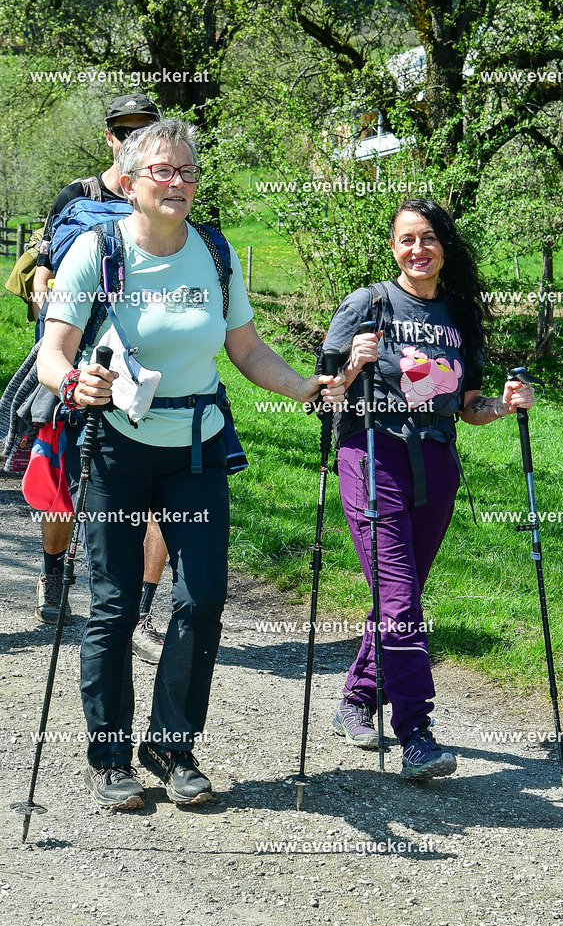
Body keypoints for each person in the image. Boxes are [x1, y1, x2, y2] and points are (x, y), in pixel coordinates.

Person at [37, 117, 345, 810]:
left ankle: (171, 744)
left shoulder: (213, 251)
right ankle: (110, 756)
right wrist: (71, 383)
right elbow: (55, 347)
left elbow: (246, 349)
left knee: (201, 599)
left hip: (196, 447)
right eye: (162, 171)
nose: (176, 183)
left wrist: (302, 387)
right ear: (132, 179)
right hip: (113, 443)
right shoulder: (97, 249)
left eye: (186, 172)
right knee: (115, 605)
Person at [323, 198, 536, 780]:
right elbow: (323, 395)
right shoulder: (367, 305)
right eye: (406, 239)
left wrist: (505, 405)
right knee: (399, 597)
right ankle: (416, 731)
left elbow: (468, 406)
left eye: (429, 238)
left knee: (403, 591)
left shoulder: (460, 316)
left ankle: (358, 698)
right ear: (392, 246)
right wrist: (347, 369)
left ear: (445, 246)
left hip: (436, 463)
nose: (418, 249)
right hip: (372, 456)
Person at [33, 93, 168, 666]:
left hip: (151, 367)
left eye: (145, 128)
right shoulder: (78, 196)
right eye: (124, 129)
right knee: (63, 488)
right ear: (109, 135)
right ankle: (54, 571)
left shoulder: (170, 198)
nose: (133, 136)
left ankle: (141, 608)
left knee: (161, 493)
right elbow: (43, 266)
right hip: (80, 359)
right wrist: (51, 308)